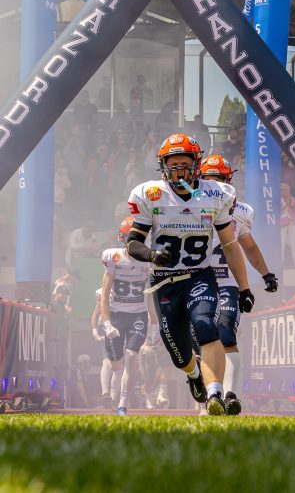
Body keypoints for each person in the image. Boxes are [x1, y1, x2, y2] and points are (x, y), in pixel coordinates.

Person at [124, 133, 252, 416]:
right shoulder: (150, 194)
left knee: (206, 325)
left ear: (196, 164)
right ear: (163, 166)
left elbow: (230, 245)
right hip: (165, 283)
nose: (179, 170)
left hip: (198, 275)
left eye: (185, 163)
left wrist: (244, 288)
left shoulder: (214, 195)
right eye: (174, 164)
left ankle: (215, 394)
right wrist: (151, 255)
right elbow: (132, 242)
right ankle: (194, 375)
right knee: (179, 355)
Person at [199, 155, 279, 414]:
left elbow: (250, 247)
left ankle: (230, 395)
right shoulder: (190, 207)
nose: (214, 186)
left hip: (228, 282)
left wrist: (266, 274)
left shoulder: (240, 212)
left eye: (218, 180)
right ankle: (210, 396)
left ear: (228, 181)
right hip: (199, 281)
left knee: (226, 334)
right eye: (209, 180)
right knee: (203, 339)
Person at [99, 217, 152, 416]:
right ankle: (112, 396)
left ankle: (123, 403)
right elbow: (105, 293)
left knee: (131, 356)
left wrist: (154, 324)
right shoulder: (113, 257)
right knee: (116, 364)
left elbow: (152, 294)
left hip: (138, 313)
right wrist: (106, 323)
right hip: (116, 314)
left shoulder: (148, 260)